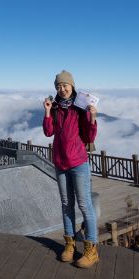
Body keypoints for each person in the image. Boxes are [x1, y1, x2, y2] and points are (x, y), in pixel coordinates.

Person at [43, 70, 99, 268]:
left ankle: (91, 250)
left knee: (84, 205)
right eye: (58, 86)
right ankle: (69, 245)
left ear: (72, 86)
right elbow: (49, 131)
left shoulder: (80, 107)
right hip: (60, 162)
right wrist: (48, 111)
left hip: (78, 163)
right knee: (66, 204)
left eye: (65, 85)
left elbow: (89, 137)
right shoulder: (57, 106)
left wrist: (92, 118)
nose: (62, 89)